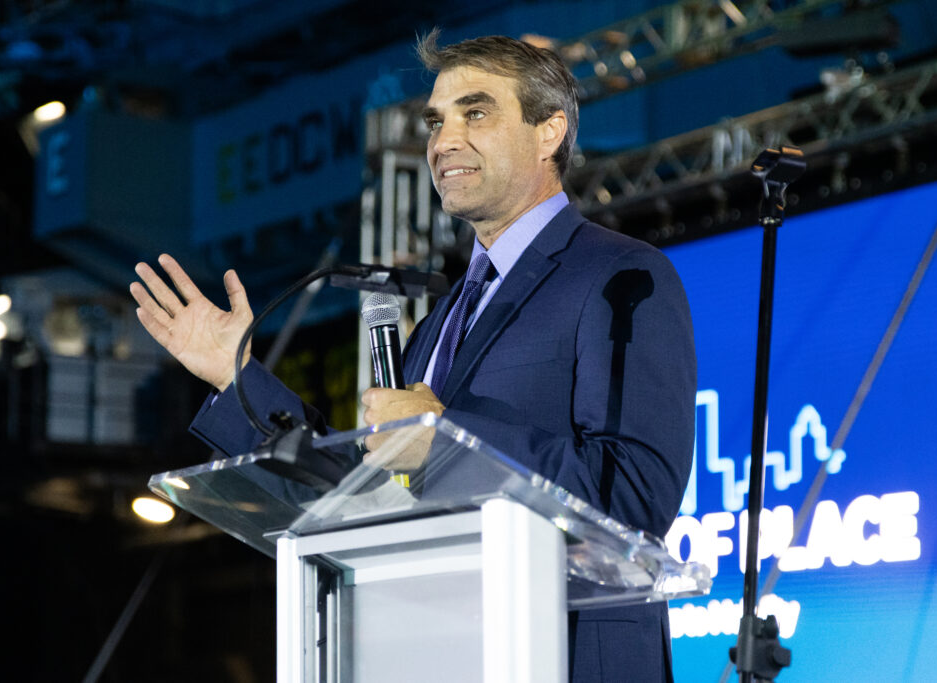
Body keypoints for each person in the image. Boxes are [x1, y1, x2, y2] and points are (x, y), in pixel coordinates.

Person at [131, 30, 696, 683]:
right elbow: (355, 495)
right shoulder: (437, 323)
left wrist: (445, 441)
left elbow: (634, 496)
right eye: (435, 120)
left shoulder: (621, 276)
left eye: (474, 113)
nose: (442, 140)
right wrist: (239, 379)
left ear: (550, 131)